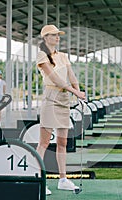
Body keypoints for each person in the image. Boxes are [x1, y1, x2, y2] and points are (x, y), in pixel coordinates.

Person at [36, 24, 86, 195]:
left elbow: (71, 75)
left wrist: (77, 90)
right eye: (54, 35)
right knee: (44, 142)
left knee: (62, 142)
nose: (58, 37)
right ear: (45, 37)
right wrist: (75, 92)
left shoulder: (63, 56)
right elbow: (55, 78)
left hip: (64, 99)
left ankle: (63, 179)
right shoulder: (41, 56)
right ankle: (38, 180)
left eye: (58, 35)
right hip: (51, 97)